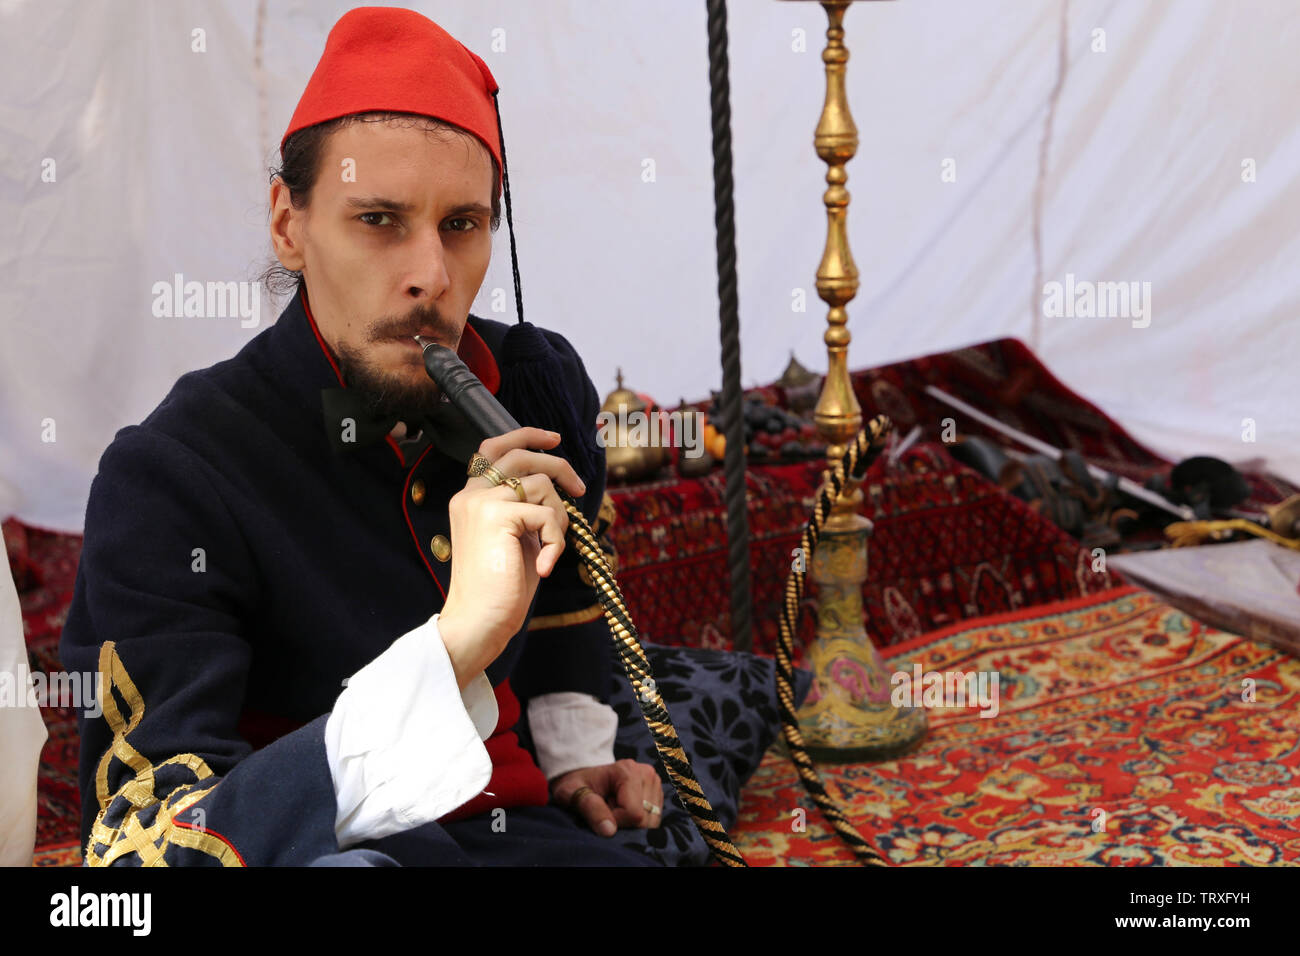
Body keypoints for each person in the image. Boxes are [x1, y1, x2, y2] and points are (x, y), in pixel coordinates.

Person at [59, 6, 673, 867]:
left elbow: (572, 598)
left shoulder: (532, 381)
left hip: (523, 826)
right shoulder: (172, 475)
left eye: (462, 224)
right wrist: (458, 638)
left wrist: (578, 756)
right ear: (289, 224)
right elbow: (147, 846)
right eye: (378, 220)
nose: (430, 276)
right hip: (331, 844)